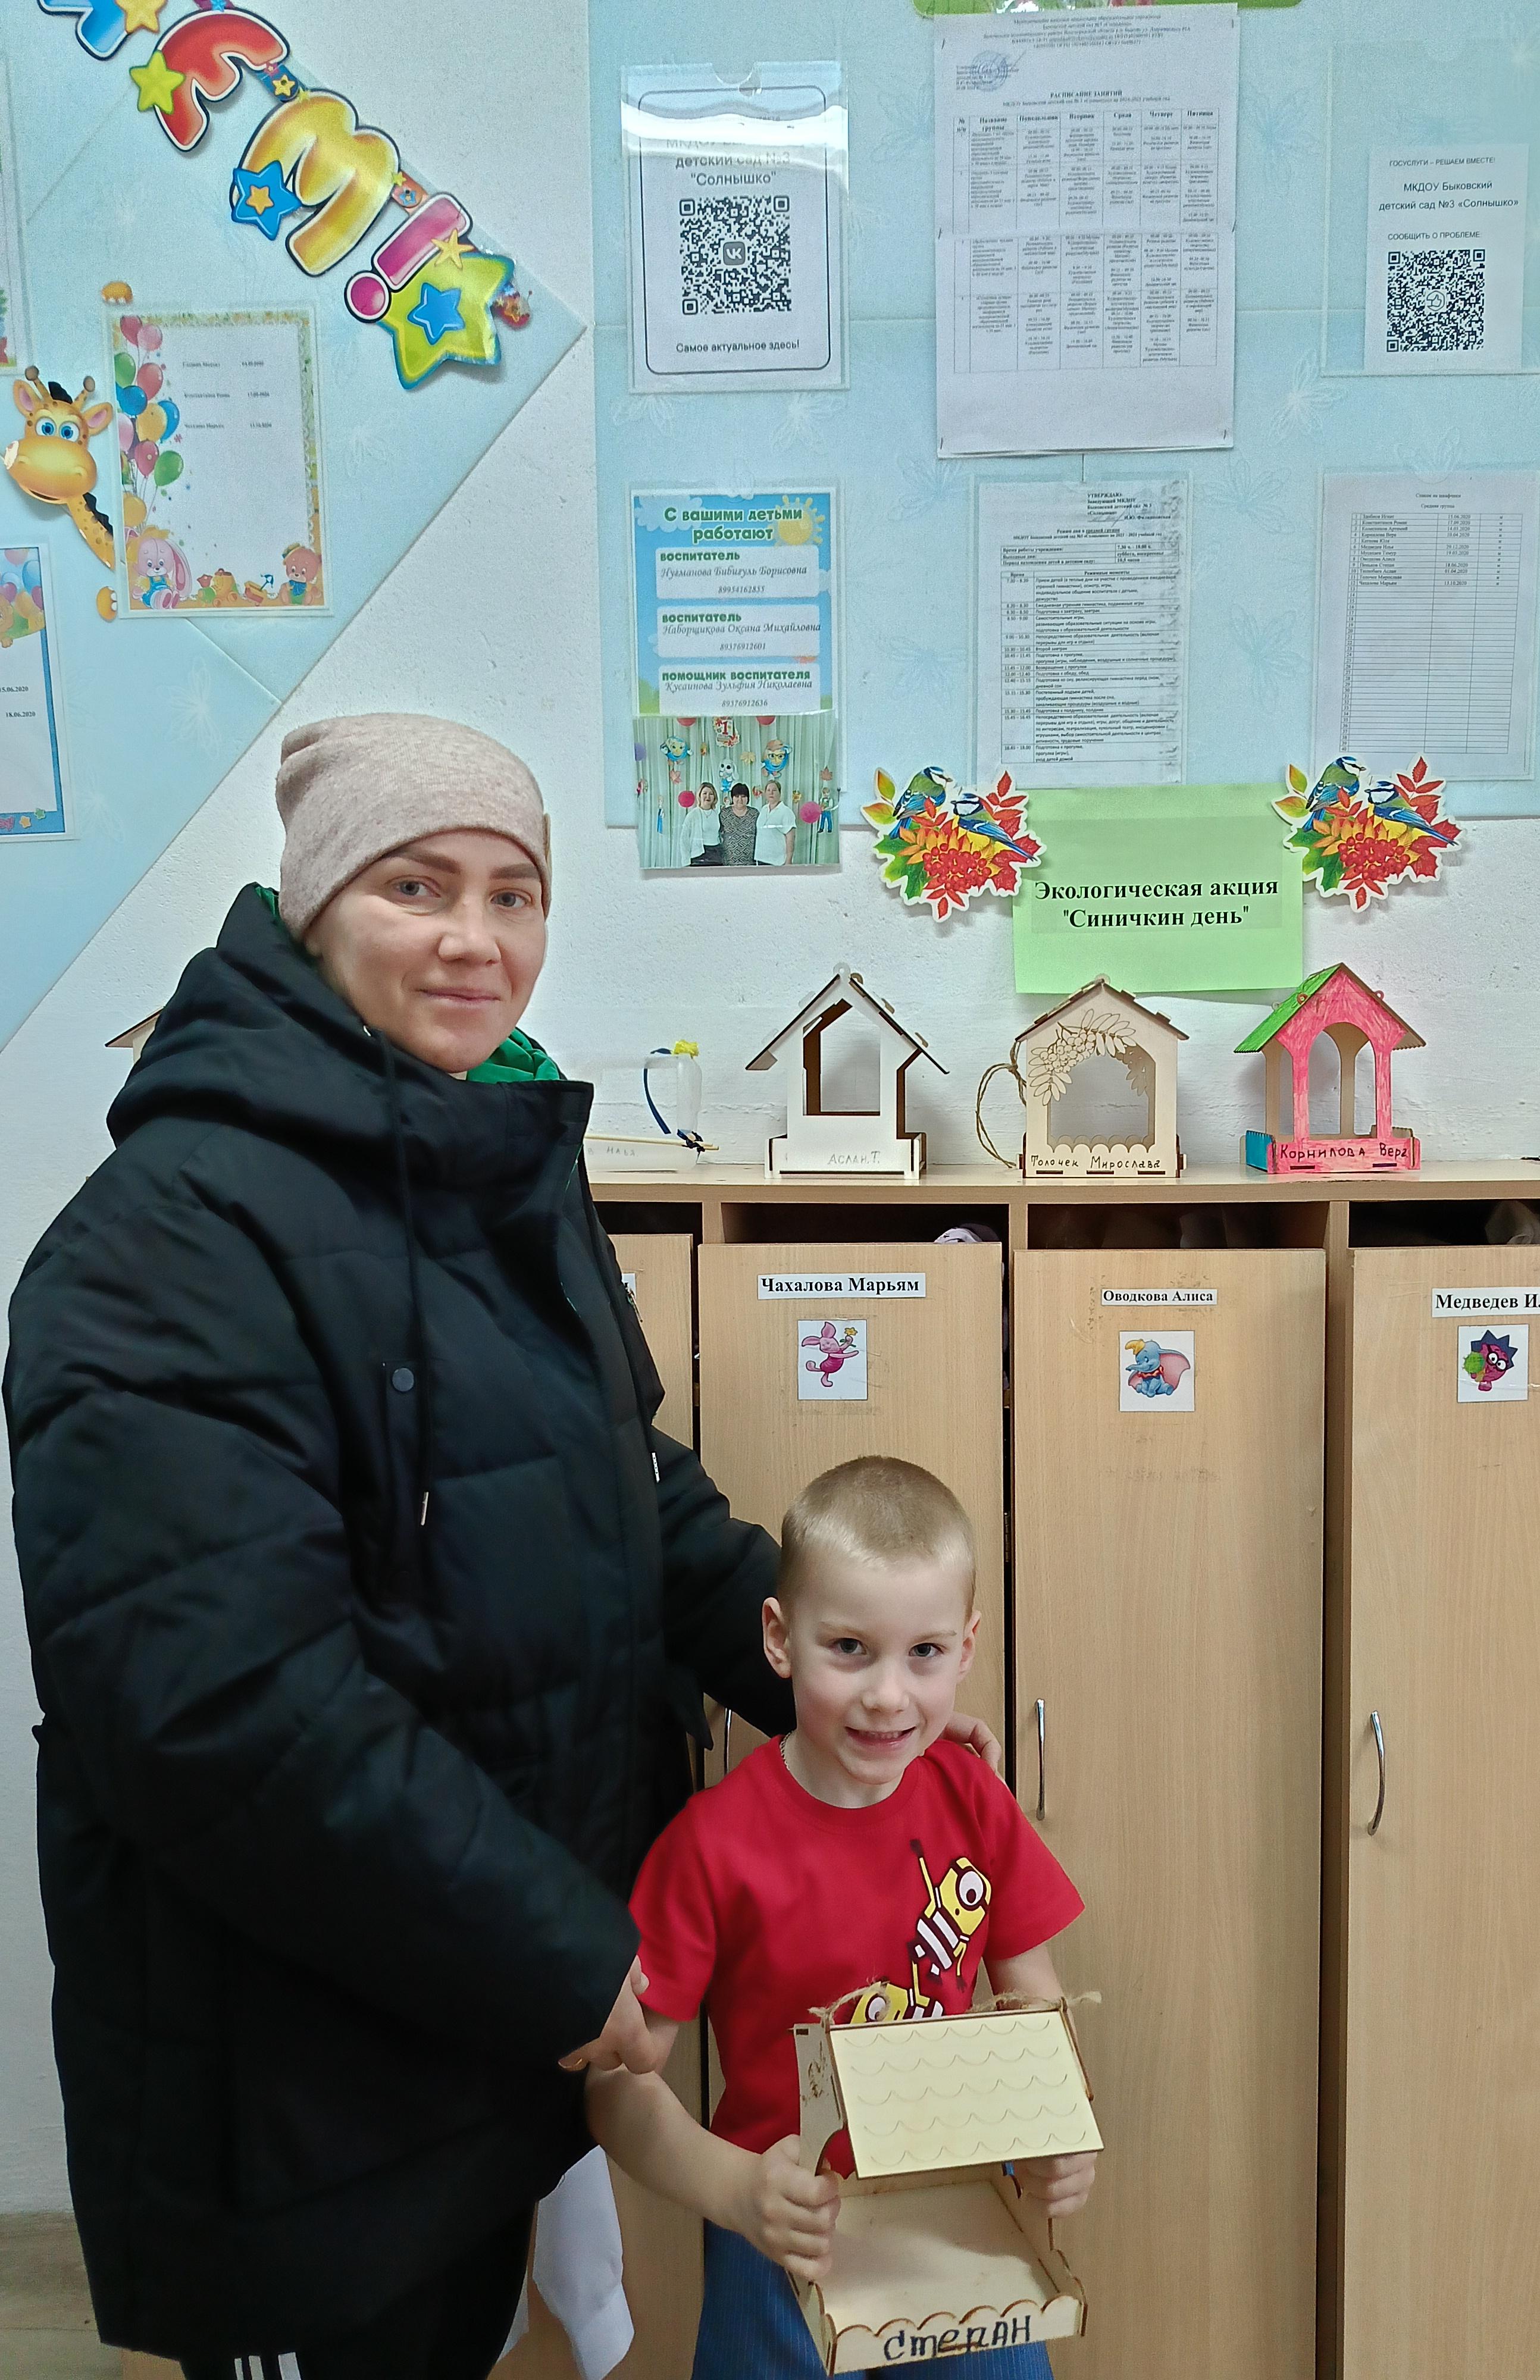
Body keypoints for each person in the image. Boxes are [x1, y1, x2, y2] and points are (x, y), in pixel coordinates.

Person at [6, 715, 996, 2378]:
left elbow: (609, 1485)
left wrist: (834, 1678)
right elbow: (221, 1706)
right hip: (298, 2090)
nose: (475, 938)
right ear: (313, 906)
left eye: (512, 893)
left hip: (470, 2035)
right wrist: (562, 1949)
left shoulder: (477, 1157)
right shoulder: (170, 1239)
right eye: (415, 886)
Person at [584, 1457, 1096, 2379]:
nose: (888, 1695)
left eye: (924, 1653)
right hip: (783, 2239)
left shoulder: (974, 1801)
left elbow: (1036, 2014)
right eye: (851, 1648)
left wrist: (1058, 2136)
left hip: (964, 2220)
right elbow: (616, 2083)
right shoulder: (712, 1843)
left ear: (967, 1649)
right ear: (779, 1639)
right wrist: (738, 2189)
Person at [753, 779, 794, 868]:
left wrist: (788, 862)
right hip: (760, 859)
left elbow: (791, 839)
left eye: (774, 790)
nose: (771, 793)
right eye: (769, 790)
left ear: (780, 793)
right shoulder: (763, 809)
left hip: (777, 862)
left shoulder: (786, 812)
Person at [680, 780, 722, 867]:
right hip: (700, 855)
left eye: (711, 794)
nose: (708, 796)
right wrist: (686, 862)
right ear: (700, 796)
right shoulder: (693, 815)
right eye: (705, 793)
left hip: (716, 854)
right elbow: (684, 839)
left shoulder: (717, 814)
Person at [717, 782, 759, 866]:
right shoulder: (724, 813)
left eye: (743, 796)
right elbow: (718, 834)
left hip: (750, 863)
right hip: (728, 862)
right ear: (732, 798)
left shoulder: (754, 814)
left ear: (748, 798)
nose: (740, 799)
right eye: (737, 796)